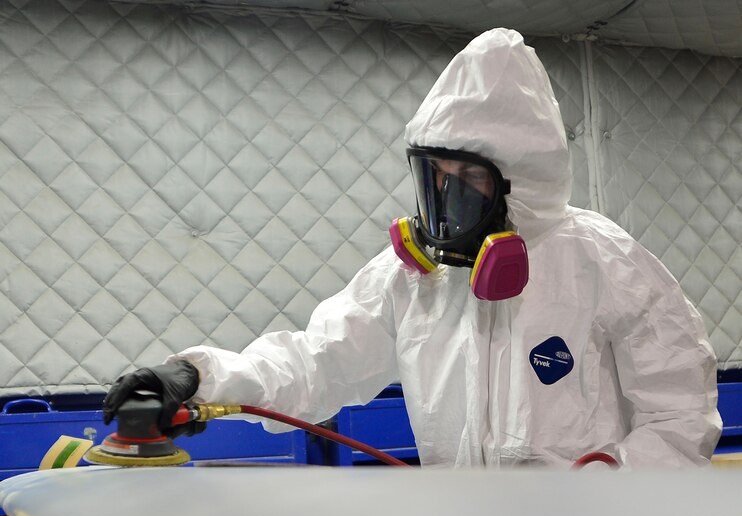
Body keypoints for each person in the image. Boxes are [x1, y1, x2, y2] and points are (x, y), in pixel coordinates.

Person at [104, 28, 721, 468]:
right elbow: (318, 363)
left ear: (520, 182)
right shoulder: (412, 279)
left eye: (468, 179)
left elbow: (679, 414)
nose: (446, 199)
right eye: (435, 176)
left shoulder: (601, 261)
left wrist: (612, 487)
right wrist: (199, 375)